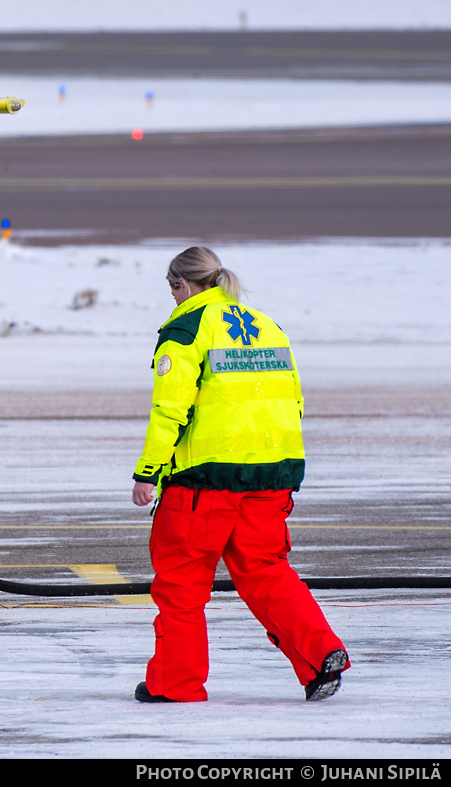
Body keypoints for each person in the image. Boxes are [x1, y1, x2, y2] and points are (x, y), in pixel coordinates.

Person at [131, 245, 349, 703]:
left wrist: (147, 472)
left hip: (205, 480)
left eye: (172, 289)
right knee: (266, 572)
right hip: (272, 474)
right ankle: (320, 654)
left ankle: (176, 684)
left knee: (182, 582)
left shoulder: (185, 329)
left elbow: (169, 411)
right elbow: (293, 400)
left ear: (183, 285)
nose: (172, 298)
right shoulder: (267, 325)